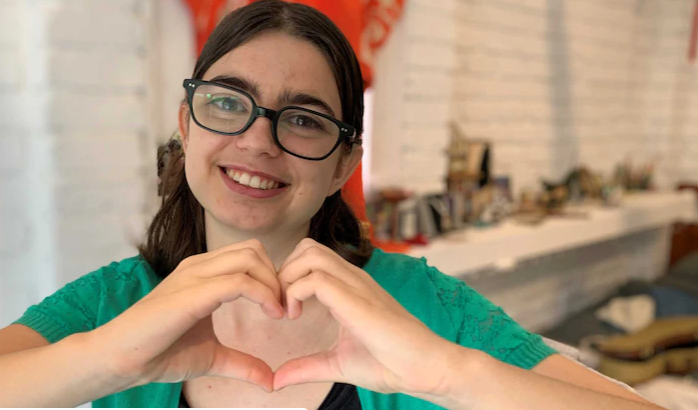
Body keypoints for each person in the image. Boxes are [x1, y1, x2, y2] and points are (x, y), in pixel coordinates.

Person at [0, 1, 664, 409]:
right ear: (186, 122)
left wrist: (448, 374)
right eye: (228, 103)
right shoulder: (116, 302)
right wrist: (108, 360)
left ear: (346, 161)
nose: (257, 140)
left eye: (305, 119)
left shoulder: (422, 307)